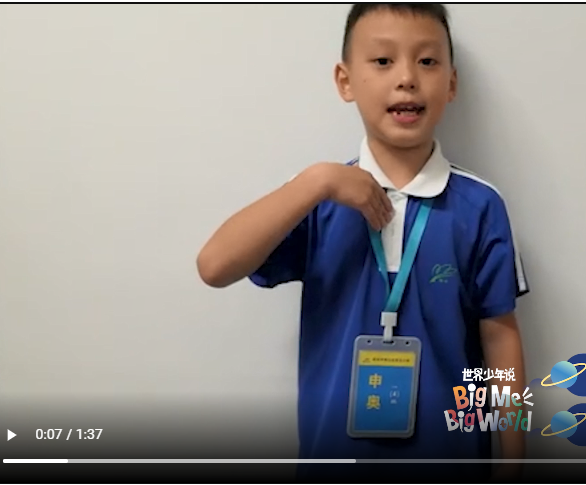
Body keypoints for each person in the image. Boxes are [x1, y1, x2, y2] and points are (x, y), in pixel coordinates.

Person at [197, 3, 529, 481]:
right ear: (345, 80)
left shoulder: (479, 206)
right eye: (383, 60)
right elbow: (214, 266)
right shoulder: (315, 199)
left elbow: (499, 338)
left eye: (427, 61)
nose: (407, 78)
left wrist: (514, 462)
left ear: (451, 83)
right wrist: (317, 182)